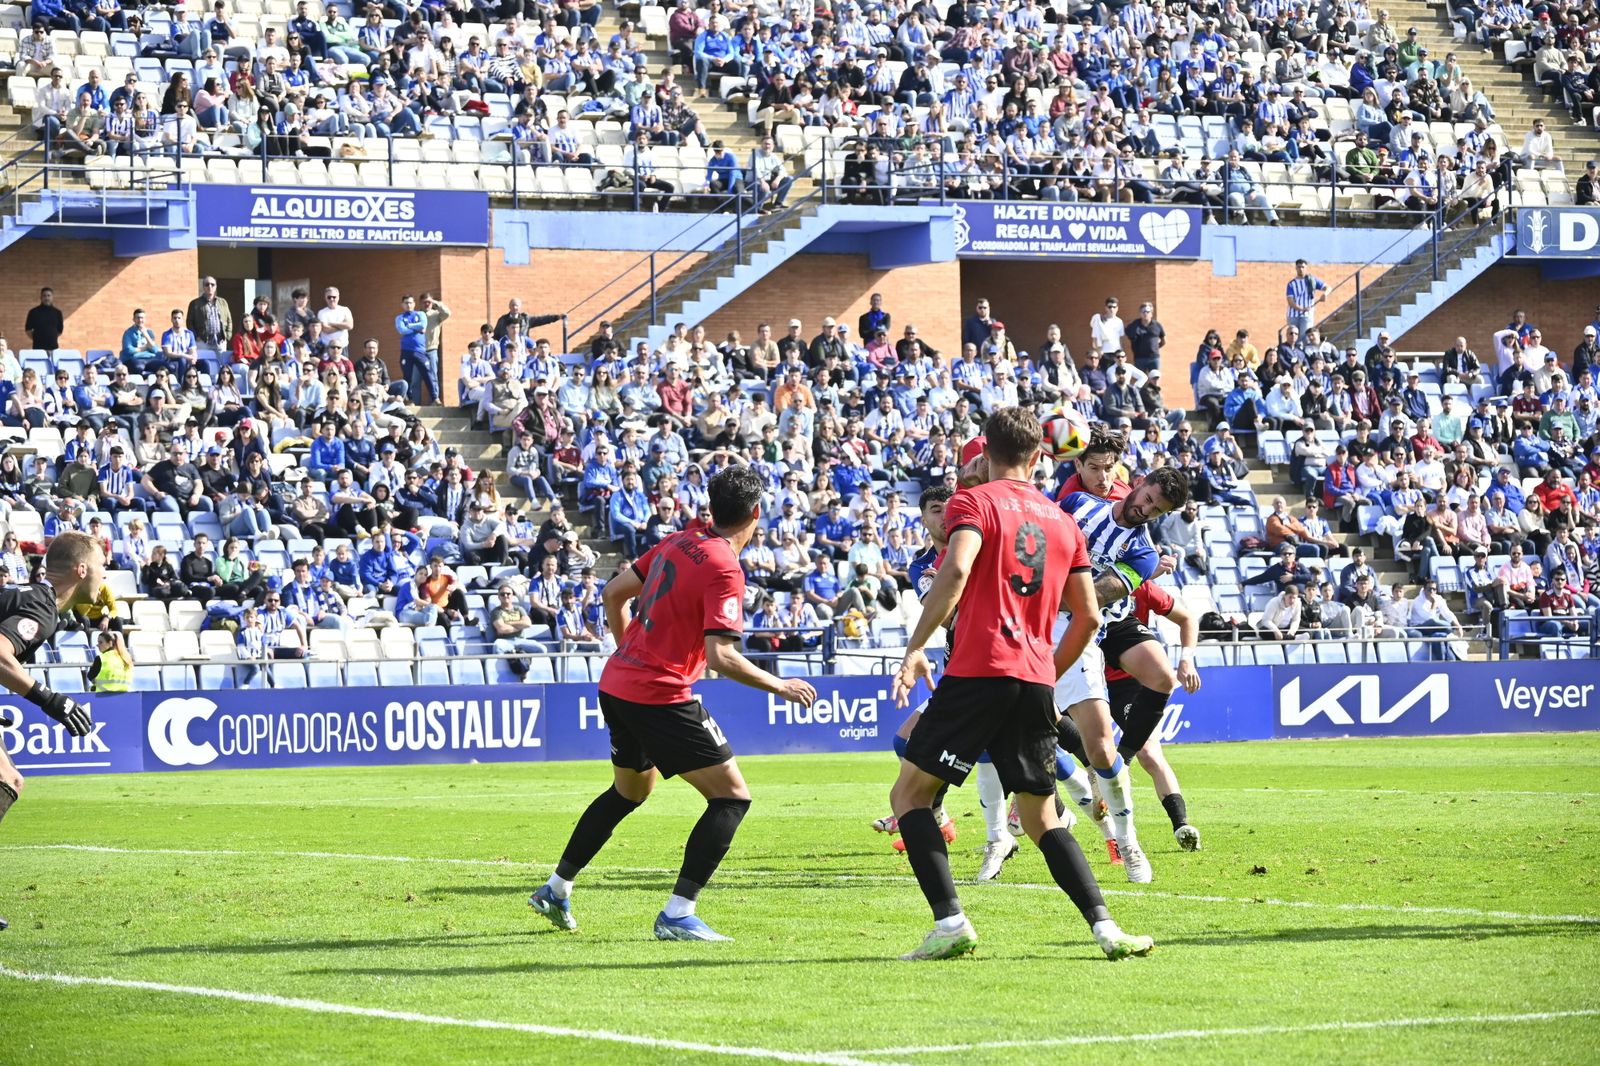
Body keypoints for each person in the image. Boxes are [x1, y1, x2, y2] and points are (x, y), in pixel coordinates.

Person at [889, 409, 1153, 963]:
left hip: (977, 668)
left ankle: (951, 922)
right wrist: (1047, 674)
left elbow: (955, 573)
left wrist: (915, 648)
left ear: (985, 457)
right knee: (1041, 816)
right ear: (1040, 458)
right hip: (1034, 676)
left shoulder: (973, 501)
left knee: (909, 795)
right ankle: (1106, 928)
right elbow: (1086, 616)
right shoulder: (1063, 522)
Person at [530, 467, 817, 942]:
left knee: (629, 793)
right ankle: (679, 913)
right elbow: (721, 656)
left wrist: (632, 653)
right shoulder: (724, 565)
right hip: (658, 694)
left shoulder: (679, 540)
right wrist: (780, 685)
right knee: (731, 798)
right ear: (756, 514)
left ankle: (556, 889)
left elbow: (612, 593)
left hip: (618, 683)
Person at [1047, 465, 1190, 886]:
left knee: (1103, 750)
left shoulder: (1143, 553)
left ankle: (1128, 843)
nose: (1143, 510)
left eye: (1155, 510)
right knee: (1024, 725)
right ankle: (1005, 831)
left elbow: (1096, 597)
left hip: (1081, 636)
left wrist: (1035, 590)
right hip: (1028, 634)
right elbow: (1036, 540)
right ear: (1139, 483)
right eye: (1146, 498)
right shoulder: (1077, 505)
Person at [0, 532, 104, 932]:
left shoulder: (34, 600)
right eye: (100, 568)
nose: (103, 578)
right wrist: (49, 699)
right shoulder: (41, 607)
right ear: (81, 570)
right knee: (6, 779)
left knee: (7, 779)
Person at [1056, 580, 1204, 852]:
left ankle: (1180, 823)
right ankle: (1063, 804)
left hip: (1126, 683)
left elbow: (1186, 618)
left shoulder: (1140, 584)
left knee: (1148, 752)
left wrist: (1186, 658)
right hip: (1084, 675)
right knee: (1046, 731)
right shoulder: (1073, 587)